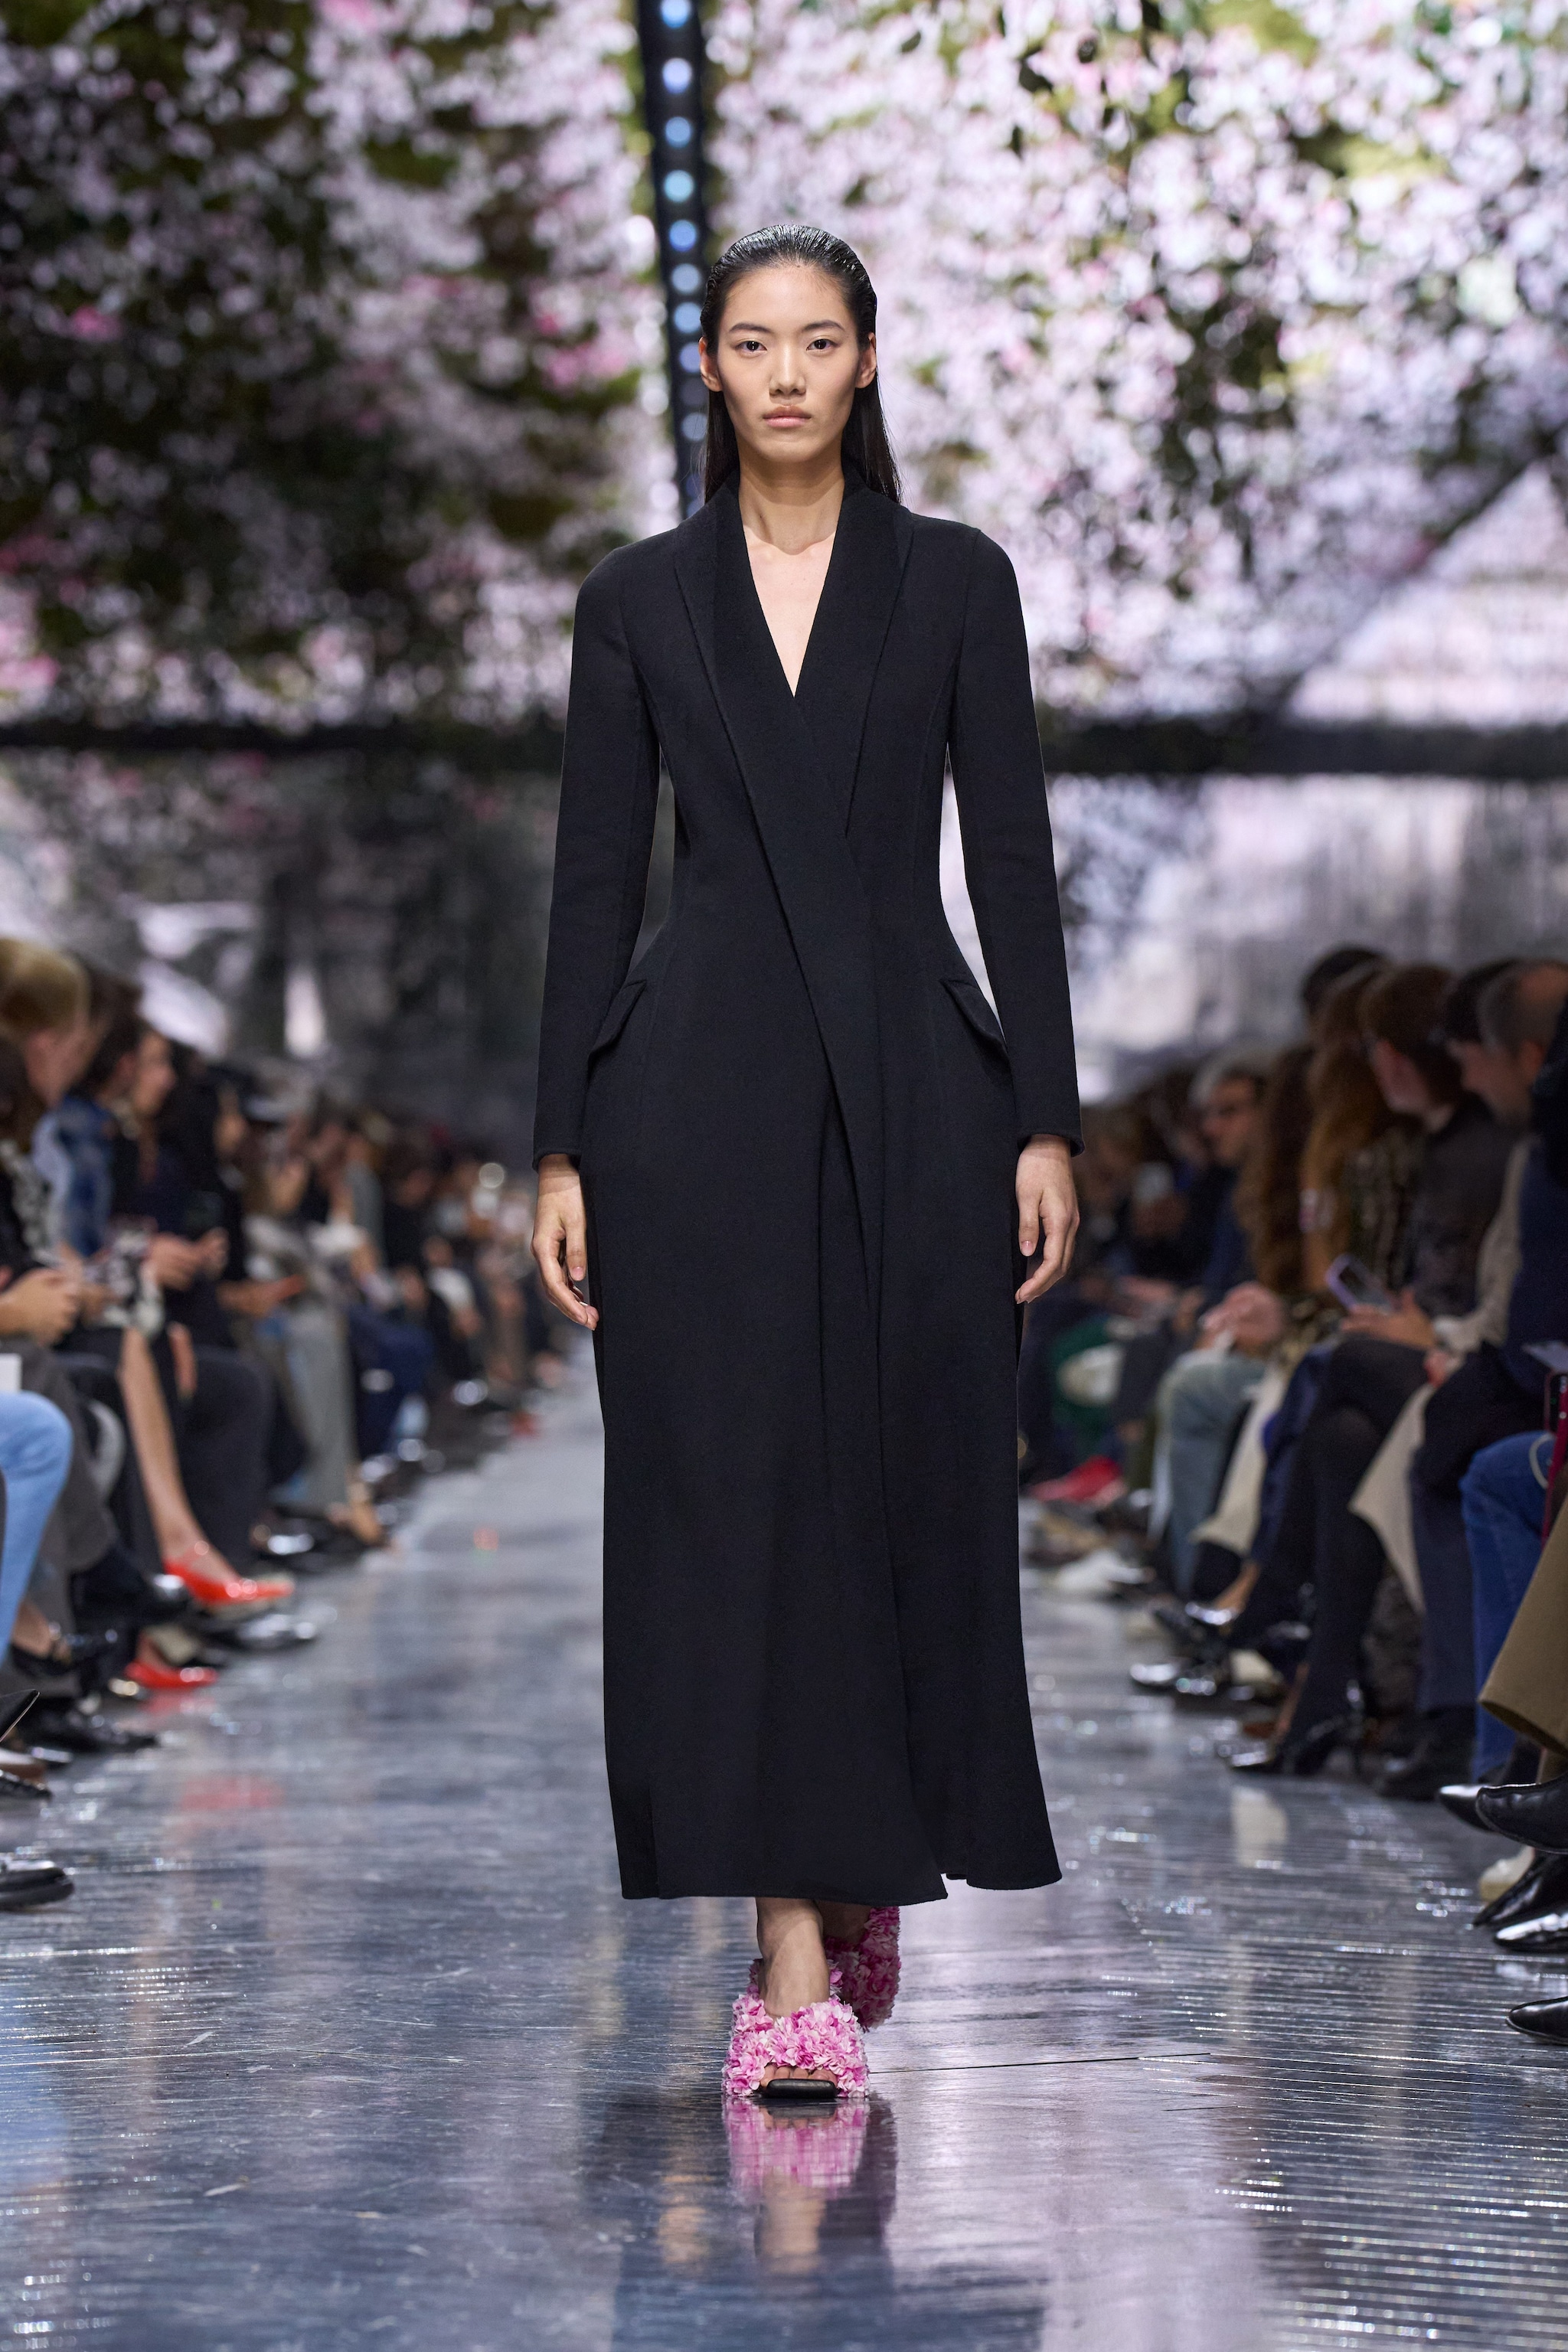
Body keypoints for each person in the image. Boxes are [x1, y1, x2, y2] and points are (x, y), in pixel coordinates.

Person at [530, 224, 1080, 2100]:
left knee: (900, 1482)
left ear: (866, 363)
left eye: (817, 341)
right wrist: (556, 1146)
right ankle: (785, 1949)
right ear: (707, 368)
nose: (784, 373)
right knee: (732, 1497)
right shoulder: (637, 598)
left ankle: (858, 1856)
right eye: (751, 342)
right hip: (690, 1099)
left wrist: (1046, 1117)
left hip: (918, 1086)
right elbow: (593, 878)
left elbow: (1009, 858)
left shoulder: (954, 581)